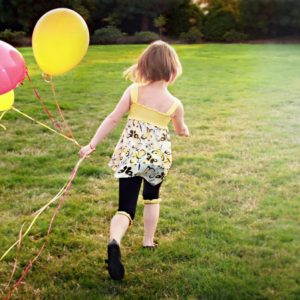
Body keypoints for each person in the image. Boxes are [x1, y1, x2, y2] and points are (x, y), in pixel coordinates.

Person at [79, 40, 189, 280]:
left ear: (145, 66)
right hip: (156, 159)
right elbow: (180, 129)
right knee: (152, 199)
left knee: (125, 208)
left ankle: (115, 240)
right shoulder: (174, 104)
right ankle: (148, 241)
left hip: (131, 156)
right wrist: (184, 131)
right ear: (172, 70)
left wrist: (92, 144)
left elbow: (112, 118)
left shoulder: (134, 92)